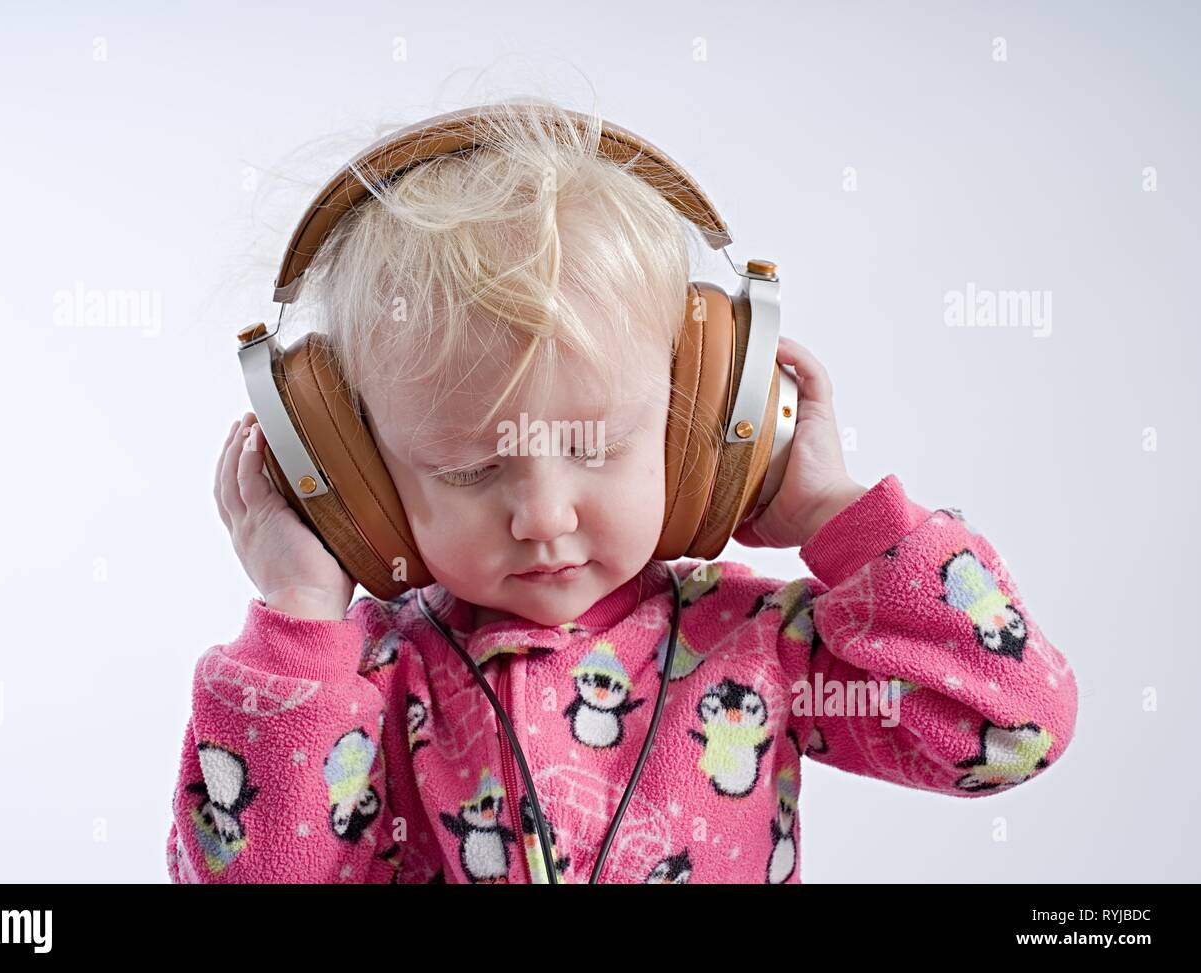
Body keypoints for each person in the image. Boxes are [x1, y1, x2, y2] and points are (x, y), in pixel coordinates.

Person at [167, 99, 1077, 884]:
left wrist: (838, 516)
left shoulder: (762, 648)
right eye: (470, 470)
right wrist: (299, 621)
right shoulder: (361, 683)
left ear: (702, 435)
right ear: (355, 484)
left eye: (594, 447)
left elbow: (1010, 729)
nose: (544, 517)